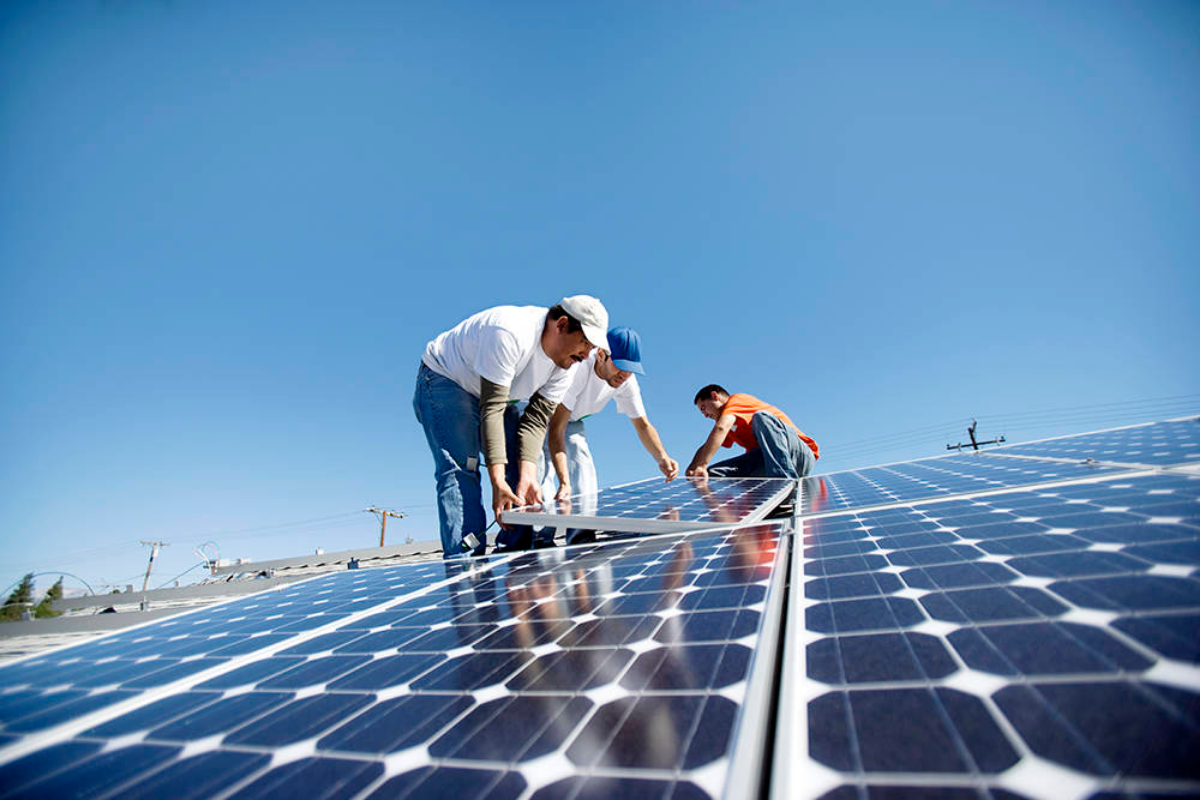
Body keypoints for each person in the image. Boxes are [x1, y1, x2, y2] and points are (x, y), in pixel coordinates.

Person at [414, 296, 609, 557]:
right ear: (561, 325)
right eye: (585, 342)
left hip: (500, 396)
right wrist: (497, 481)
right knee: (464, 466)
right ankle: (466, 567)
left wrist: (527, 476)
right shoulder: (510, 332)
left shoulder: (568, 364)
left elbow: (536, 420)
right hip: (447, 379)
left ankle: (515, 556)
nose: (587, 354)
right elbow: (491, 408)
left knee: (520, 473)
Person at [538, 327, 679, 542]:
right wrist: (564, 481)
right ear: (601, 354)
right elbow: (556, 429)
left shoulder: (625, 380)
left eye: (630, 369)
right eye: (620, 366)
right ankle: (539, 535)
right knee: (543, 471)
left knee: (582, 462)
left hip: (572, 420)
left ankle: (581, 534)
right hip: (541, 416)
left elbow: (642, 424)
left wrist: (662, 457)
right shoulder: (578, 369)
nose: (624, 375)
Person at [685, 384, 819, 480]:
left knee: (761, 417)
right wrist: (692, 468)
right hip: (768, 461)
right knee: (713, 473)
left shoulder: (737, 400)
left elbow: (721, 428)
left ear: (715, 396)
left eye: (704, 408)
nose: (705, 415)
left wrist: (702, 464)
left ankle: (784, 485)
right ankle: (752, 505)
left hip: (798, 453)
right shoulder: (727, 426)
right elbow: (708, 444)